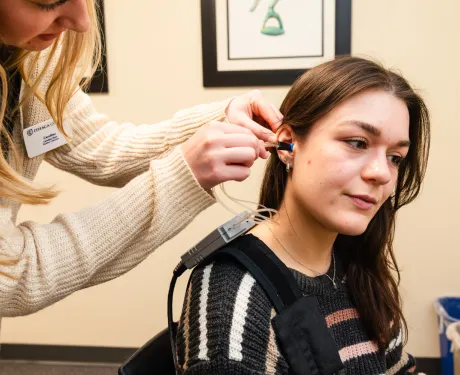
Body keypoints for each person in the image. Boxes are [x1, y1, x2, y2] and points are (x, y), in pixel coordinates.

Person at [0, 0, 283, 317]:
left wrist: (220, 118)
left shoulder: (31, 57)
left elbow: (100, 147)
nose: (82, 22)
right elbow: (9, 274)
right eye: (49, 2)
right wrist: (180, 178)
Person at [175, 56, 431, 374]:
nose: (381, 173)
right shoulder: (235, 293)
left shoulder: (356, 265)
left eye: (395, 157)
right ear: (286, 145)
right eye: (357, 142)